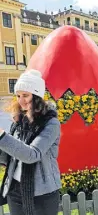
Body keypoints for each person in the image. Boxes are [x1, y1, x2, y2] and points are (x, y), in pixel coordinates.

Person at [0, 69, 61, 215]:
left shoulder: (51, 124)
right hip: (14, 189)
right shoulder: (19, 121)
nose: (21, 100)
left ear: (37, 96)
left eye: (25, 95)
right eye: (18, 95)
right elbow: (11, 154)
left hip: (42, 193)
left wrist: (2, 136)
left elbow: (32, 155)